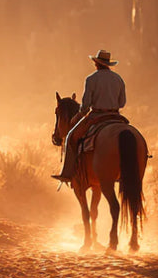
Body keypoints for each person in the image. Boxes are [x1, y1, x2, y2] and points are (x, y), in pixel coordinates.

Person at [52, 49, 127, 182]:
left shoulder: (91, 79)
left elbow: (86, 105)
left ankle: (67, 173)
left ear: (96, 64)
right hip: (116, 116)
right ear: (108, 64)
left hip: (97, 116)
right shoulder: (118, 79)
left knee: (70, 137)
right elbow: (122, 103)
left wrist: (78, 115)